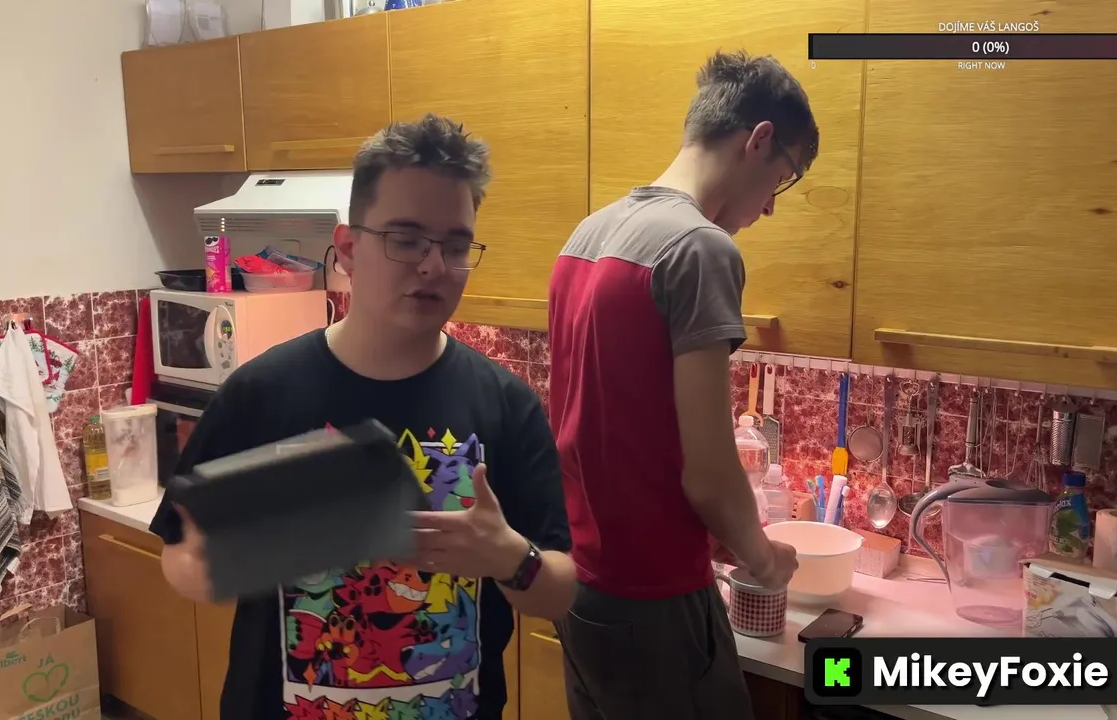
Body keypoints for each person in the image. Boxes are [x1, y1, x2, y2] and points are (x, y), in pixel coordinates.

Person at [151, 114, 577, 720]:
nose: (434, 266)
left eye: (456, 245)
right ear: (349, 249)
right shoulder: (261, 394)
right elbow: (179, 555)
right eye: (406, 238)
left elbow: (559, 590)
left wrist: (510, 557)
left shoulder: (507, 405)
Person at [546, 50, 818, 718]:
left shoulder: (586, 236)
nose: (769, 208)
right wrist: (762, 558)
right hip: (655, 601)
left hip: (581, 587)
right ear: (758, 140)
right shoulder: (699, 248)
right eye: (782, 179)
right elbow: (709, 471)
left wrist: (722, 535)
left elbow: (613, 432)